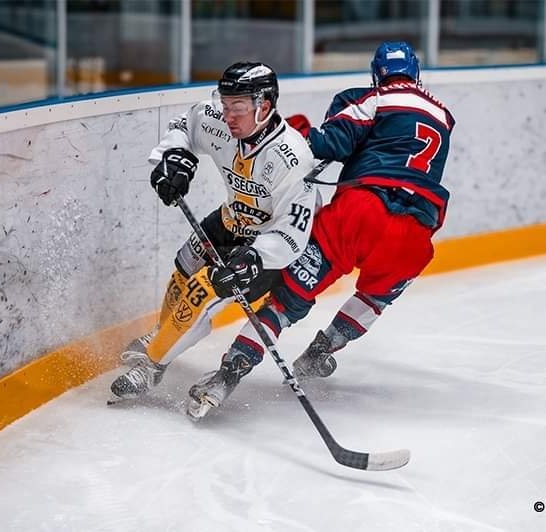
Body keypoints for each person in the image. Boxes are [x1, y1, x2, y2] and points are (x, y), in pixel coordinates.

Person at [187, 41, 455, 419]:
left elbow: (328, 144)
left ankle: (227, 374)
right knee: (375, 299)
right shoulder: (443, 116)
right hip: (415, 234)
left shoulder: (374, 99)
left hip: (361, 214)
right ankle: (321, 351)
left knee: (285, 303)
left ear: (377, 74)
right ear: (416, 73)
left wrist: (294, 134)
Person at [110, 62, 317, 401]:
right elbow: (187, 124)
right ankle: (163, 334)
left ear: (264, 106)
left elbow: (293, 234)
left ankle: (151, 366)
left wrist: (255, 258)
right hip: (229, 220)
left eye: (238, 107)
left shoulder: (292, 158)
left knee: (202, 291)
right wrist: (175, 155)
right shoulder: (220, 120)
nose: (228, 115)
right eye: (225, 104)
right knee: (184, 269)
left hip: (263, 249)